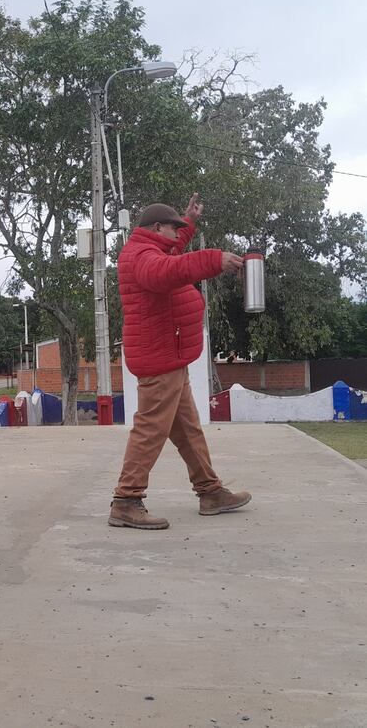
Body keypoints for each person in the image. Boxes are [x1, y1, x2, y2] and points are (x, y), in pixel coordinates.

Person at [109, 193, 251, 530]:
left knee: (188, 430)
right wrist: (215, 259)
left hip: (168, 355)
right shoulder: (142, 256)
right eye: (174, 230)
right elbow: (165, 270)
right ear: (157, 228)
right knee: (150, 429)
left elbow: (171, 252)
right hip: (160, 358)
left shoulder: (150, 247)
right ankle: (126, 500)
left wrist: (187, 221)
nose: (177, 237)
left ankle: (210, 491)